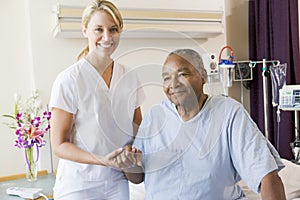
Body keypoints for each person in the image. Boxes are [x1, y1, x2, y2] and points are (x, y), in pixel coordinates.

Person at [126, 49, 286, 199]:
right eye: (166, 78)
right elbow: (137, 177)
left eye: (182, 74)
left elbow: (266, 174)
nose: (173, 84)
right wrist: (128, 163)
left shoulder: (228, 113)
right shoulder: (155, 116)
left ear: (203, 76)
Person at [49, 0, 143, 199]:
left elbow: (138, 131)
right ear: (85, 31)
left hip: (118, 182)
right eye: (98, 29)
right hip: (78, 184)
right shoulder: (69, 80)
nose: (107, 37)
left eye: (113, 29)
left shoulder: (130, 77)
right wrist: (102, 160)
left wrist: (133, 150)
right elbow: (59, 145)